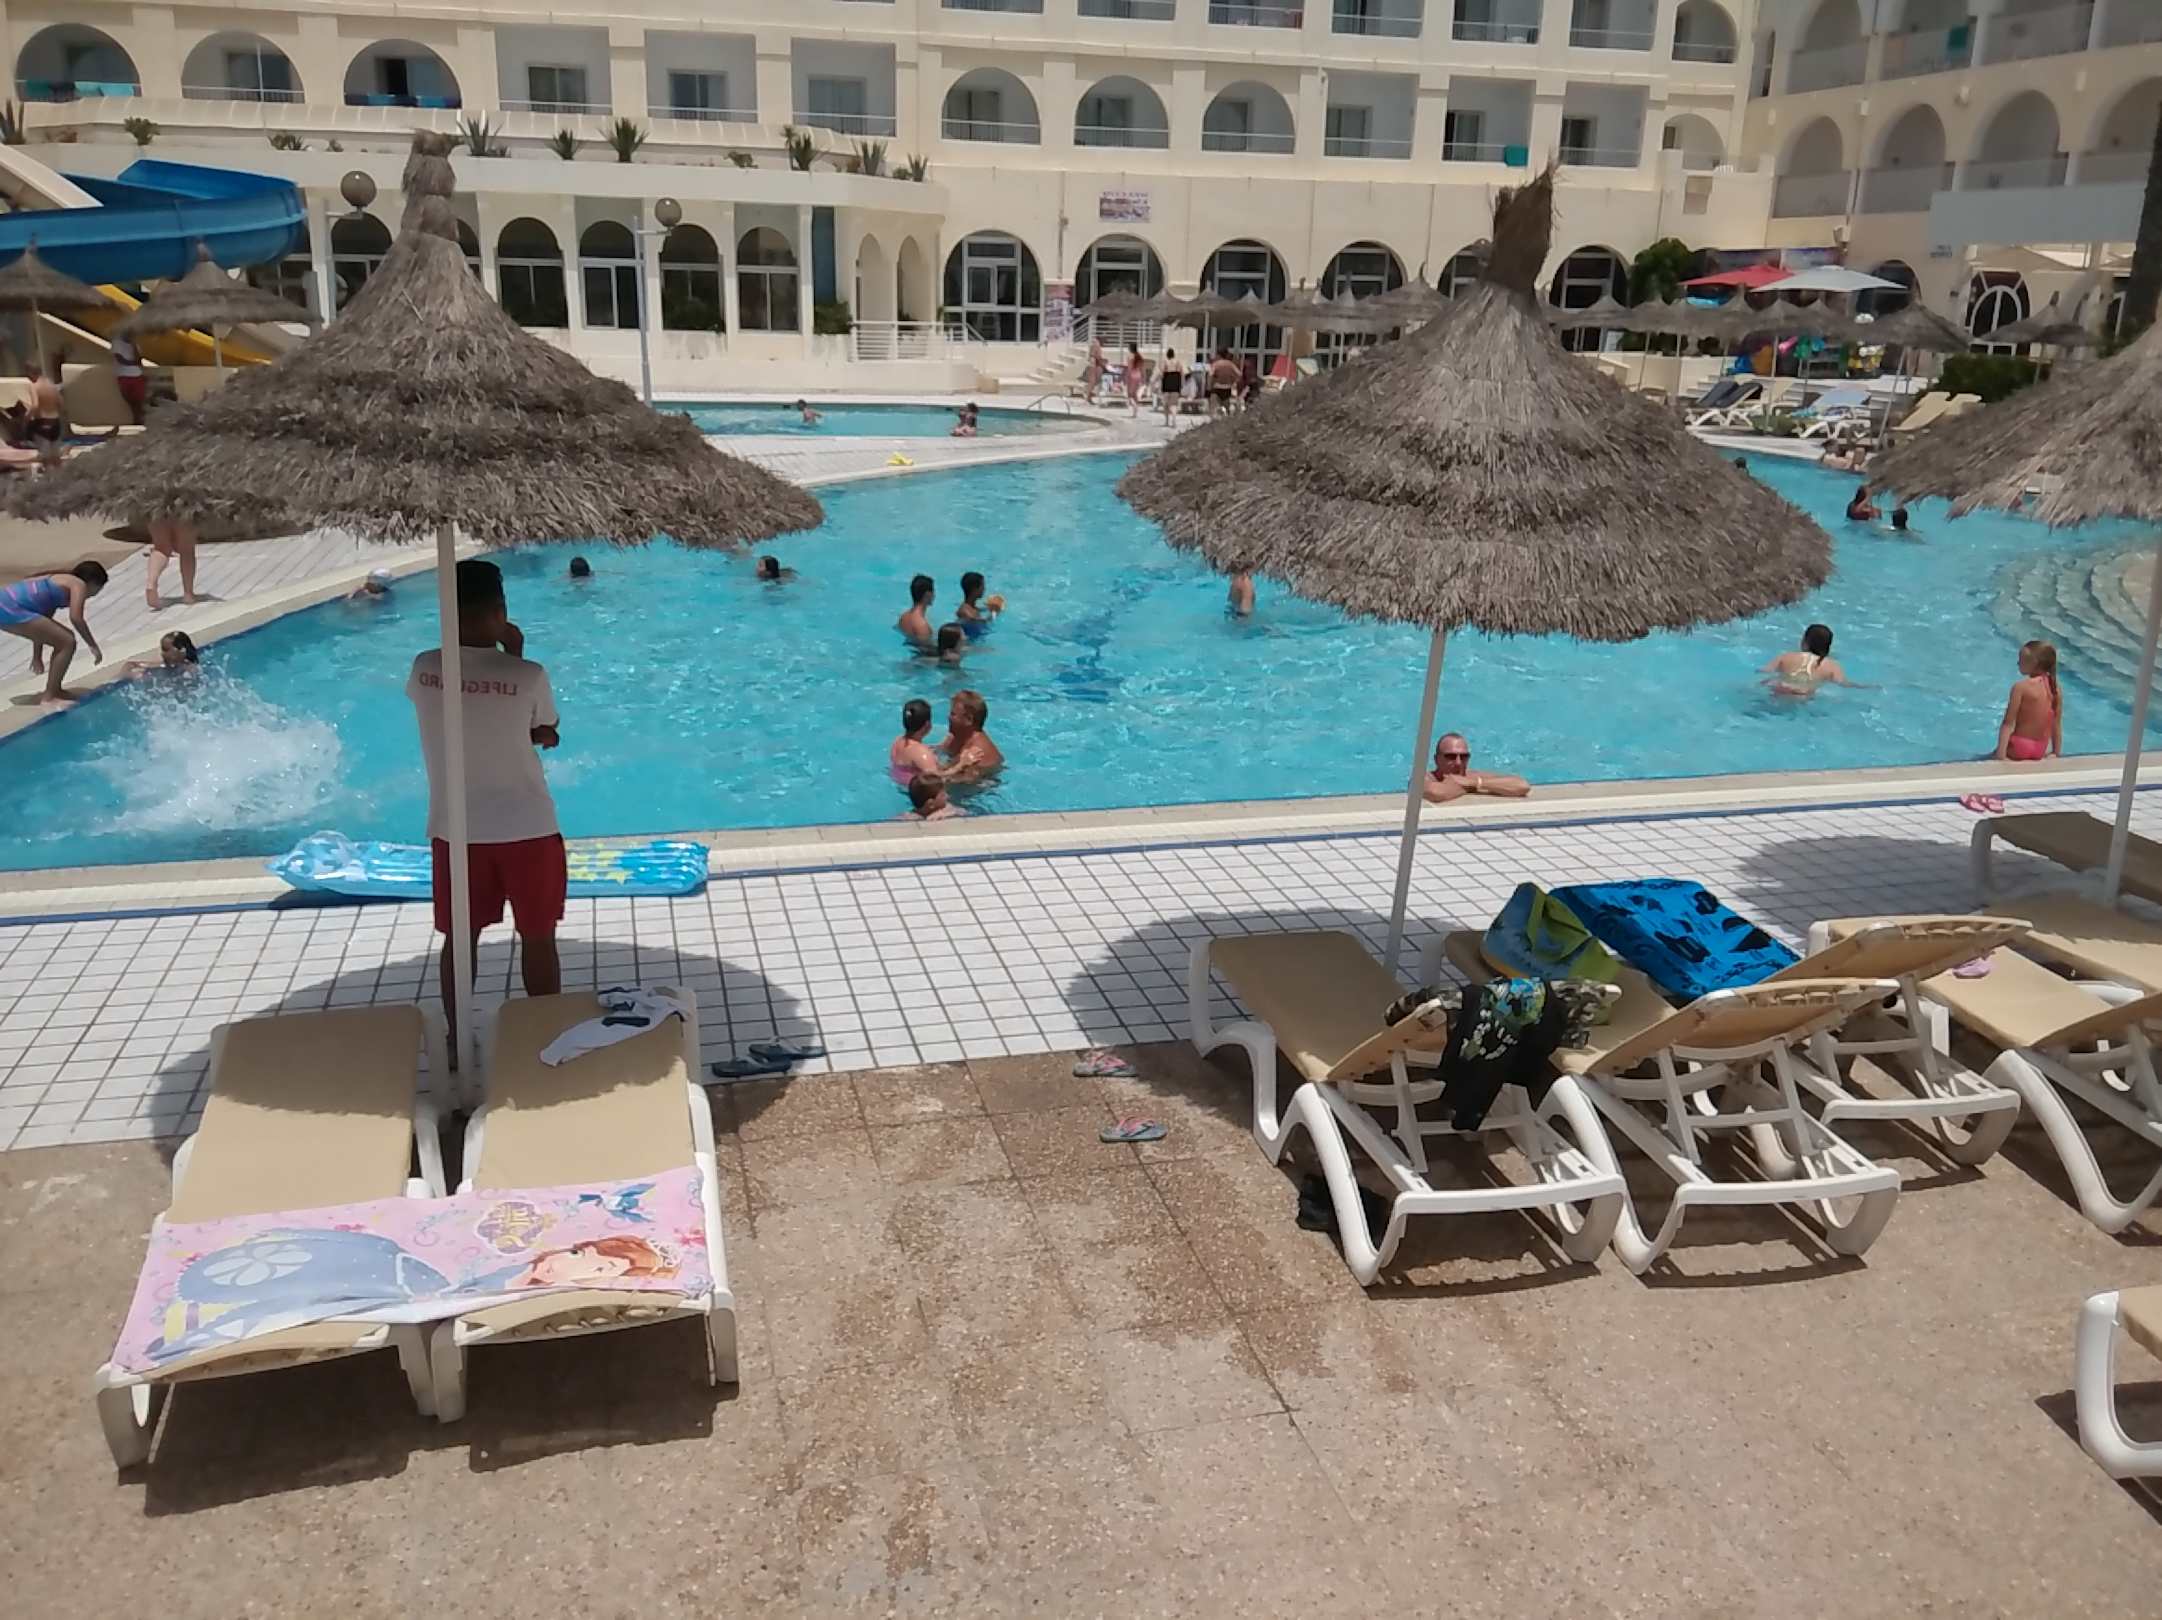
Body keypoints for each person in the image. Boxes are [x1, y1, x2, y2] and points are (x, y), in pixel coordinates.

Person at [406, 558, 565, 1054]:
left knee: (460, 939)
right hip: (527, 827)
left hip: (456, 829)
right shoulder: (527, 674)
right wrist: (514, 652)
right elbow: (544, 729)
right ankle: (544, 1034)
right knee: (537, 936)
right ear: (500, 613)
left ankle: (457, 1039)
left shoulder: (425, 668)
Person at [0, 559, 106, 705]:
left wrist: (37, 656)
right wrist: (92, 645)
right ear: (92, 583)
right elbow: (76, 618)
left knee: (64, 640)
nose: (91, 596)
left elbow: (42, 626)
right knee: (67, 641)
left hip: (5, 605)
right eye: (95, 591)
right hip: (9, 607)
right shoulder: (78, 584)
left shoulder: (57, 585)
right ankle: (51, 695)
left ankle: (54, 691)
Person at [1996, 639, 2062, 763]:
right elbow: (2056, 724)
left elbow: (2008, 724)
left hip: (2019, 747)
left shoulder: (2021, 687)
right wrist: (2056, 752)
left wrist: (2000, 756)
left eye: (2021, 660)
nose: (2017, 663)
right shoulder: (2055, 688)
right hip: (2040, 749)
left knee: (1981, 758)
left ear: (2034, 663)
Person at [1422, 732, 1530, 804]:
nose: (1458, 762)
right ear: (1436, 759)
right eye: (1451, 757)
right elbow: (1435, 793)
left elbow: (1522, 785)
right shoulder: (1426, 778)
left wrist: (1474, 783)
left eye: (1464, 757)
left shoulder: (1471, 776)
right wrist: (1464, 785)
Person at [1762, 623, 1858, 696]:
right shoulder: (1832, 665)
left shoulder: (1786, 656)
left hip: (1781, 687)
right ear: (1827, 647)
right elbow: (1843, 683)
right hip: (1805, 693)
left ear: (1804, 642)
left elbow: (1765, 671)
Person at [939, 688, 1004, 783]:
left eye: (953, 714)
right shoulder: (955, 737)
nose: (948, 717)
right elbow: (936, 752)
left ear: (969, 719)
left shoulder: (977, 753)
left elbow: (961, 783)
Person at [143, 517, 199, 610]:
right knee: (187, 548)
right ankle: (188, 594)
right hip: (183, 508)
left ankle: (151, 583)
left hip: (155, 508)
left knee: (160, 548)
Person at [889, 697, 941, 787]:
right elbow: (935, 784)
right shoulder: (922, 753)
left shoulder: (897, 741)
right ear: (927, 725)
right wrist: (958, 768)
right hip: (918, 792)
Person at [124, 629, 199, 677]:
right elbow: (130, 664)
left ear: (181, 650)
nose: (162, 653)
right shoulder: (167, 665)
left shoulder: (189, 672)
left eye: (165, 649)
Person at [110, 333, 146, 426]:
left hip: (137, 375)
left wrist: (133, 345)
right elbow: (120, 359)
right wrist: (133, 363)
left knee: (139, 401)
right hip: (123, 375)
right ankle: (138, 419)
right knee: (130, 400)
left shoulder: (135, 344)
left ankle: (138, 421)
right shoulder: (117, 342)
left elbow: (139, 359)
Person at [25, 361, 62, 443]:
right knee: (55, 450)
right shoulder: (51, 385)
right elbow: (61, 403)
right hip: (56, 422)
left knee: (43, 449)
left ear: (30, 373)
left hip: (42, 422)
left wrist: (27, 417)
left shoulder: (34, 386)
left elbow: (35, 405)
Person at [897, 572, 936, 646]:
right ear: (928, 595)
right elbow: (927, 649)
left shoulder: (903, 617)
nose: (934, 595)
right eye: (933, 592)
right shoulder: (922, 626)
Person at [956, 570, 998, 637]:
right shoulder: (964, 611)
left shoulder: (973, 607)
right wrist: (994, 613)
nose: (984, 589)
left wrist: (992, 607)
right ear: (975, 589)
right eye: (982, 586)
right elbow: (980, 621)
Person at [1207, 347, 1241, 416]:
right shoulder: (1230, 364)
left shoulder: (1216, 364)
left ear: (1218, 355)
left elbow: (1210, 375)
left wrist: (1209, 386)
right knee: (1227, 409)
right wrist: (1233, 382)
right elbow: (1239, 374)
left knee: (1214, 410)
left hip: (1217, 388)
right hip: (1227, 388)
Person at [1158, 349, 1185, 426]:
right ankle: (1174, 419)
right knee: (1174, 403)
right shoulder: (1178, 362)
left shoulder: (1165, 362)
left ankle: (1167, 421)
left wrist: (1160, 384)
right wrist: (1182, 384)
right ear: (1173, 354)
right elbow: (1182, 374)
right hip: (1175, 382)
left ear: (1167, 354)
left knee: (1166, 403)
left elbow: (1162, 373)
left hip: (1167, 381)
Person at [1083, 335, 1107, 404]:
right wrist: (1093, 365)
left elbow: (1097, 357)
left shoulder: (1097, 346)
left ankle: (1088, 397)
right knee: (1092, 382)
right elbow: (1092, 357)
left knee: (1094, 382)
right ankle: (1087, 397)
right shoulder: (1095, 346)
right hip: (1093, 366)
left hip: (1096, 366)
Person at [1124, 345, 1146, 418]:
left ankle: (1134, 407)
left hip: (1131, 376)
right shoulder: (1139, 357)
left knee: (1130, 395)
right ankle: (1135, 413)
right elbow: (1142, 369)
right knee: (1135, 395)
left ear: (1130, 349)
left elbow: (1129, 368)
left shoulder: (1130, 357)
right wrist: (1143, 378)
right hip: (1138, 375)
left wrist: (1126, 377)